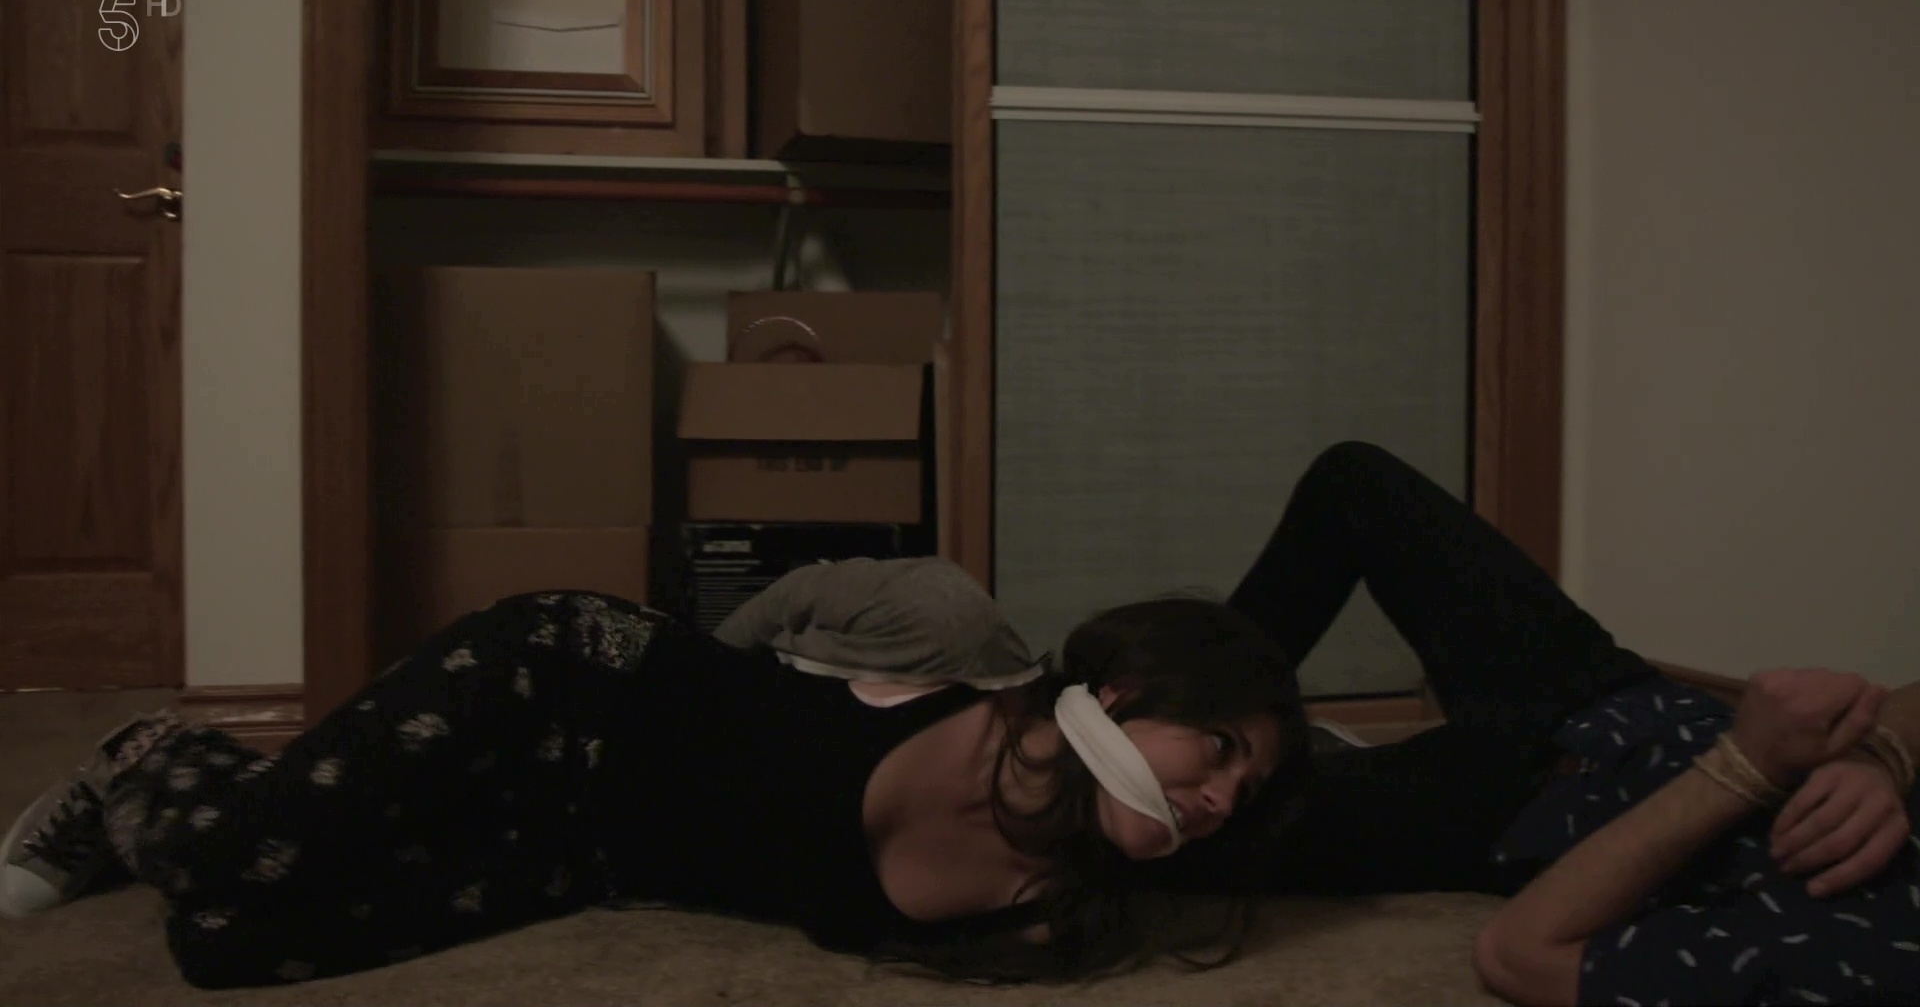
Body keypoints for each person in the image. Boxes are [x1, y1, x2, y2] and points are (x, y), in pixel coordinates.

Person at [0, 570, 1311, 986]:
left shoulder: (1057, 910)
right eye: (1220, 753)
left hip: (588, 852)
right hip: (567, 687)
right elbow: (780, 625)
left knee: (225, 943)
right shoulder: (973, 671)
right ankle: (149, 757)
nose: (1218, 801)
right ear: (1127, 697)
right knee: (233, 855)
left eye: (1243, 795)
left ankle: (192, 792)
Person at [1124, 441, 1920, 1006]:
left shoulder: (1859, 970)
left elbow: (1518, 956)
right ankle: (1141, 710)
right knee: (1354, 483)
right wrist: (1880, 753)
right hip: (1610, 696)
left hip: (1523, 817)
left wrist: (1747, 766)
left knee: (1186, 827)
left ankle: (1115, 761)